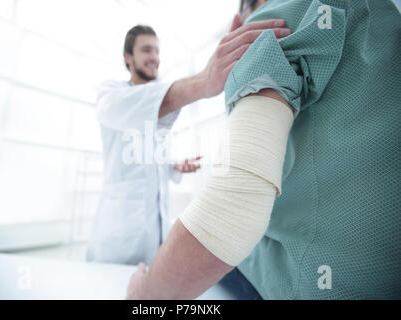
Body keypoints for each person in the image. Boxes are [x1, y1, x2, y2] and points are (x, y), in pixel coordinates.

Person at [126, 0, 401, 299]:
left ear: (238, 21)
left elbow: (232, 206)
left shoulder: (268, 27)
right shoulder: (385, 18)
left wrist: (145, 296)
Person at [87, 20, 292, 265]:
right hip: (118, 237)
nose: (154, 57)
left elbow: (149, 162)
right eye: (146, 50)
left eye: (157, 51)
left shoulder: (155, 103)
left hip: (155, 232)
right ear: (127, 57)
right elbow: (132, 107)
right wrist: (204, 82)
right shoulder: (111, 93)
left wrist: (174, 165)